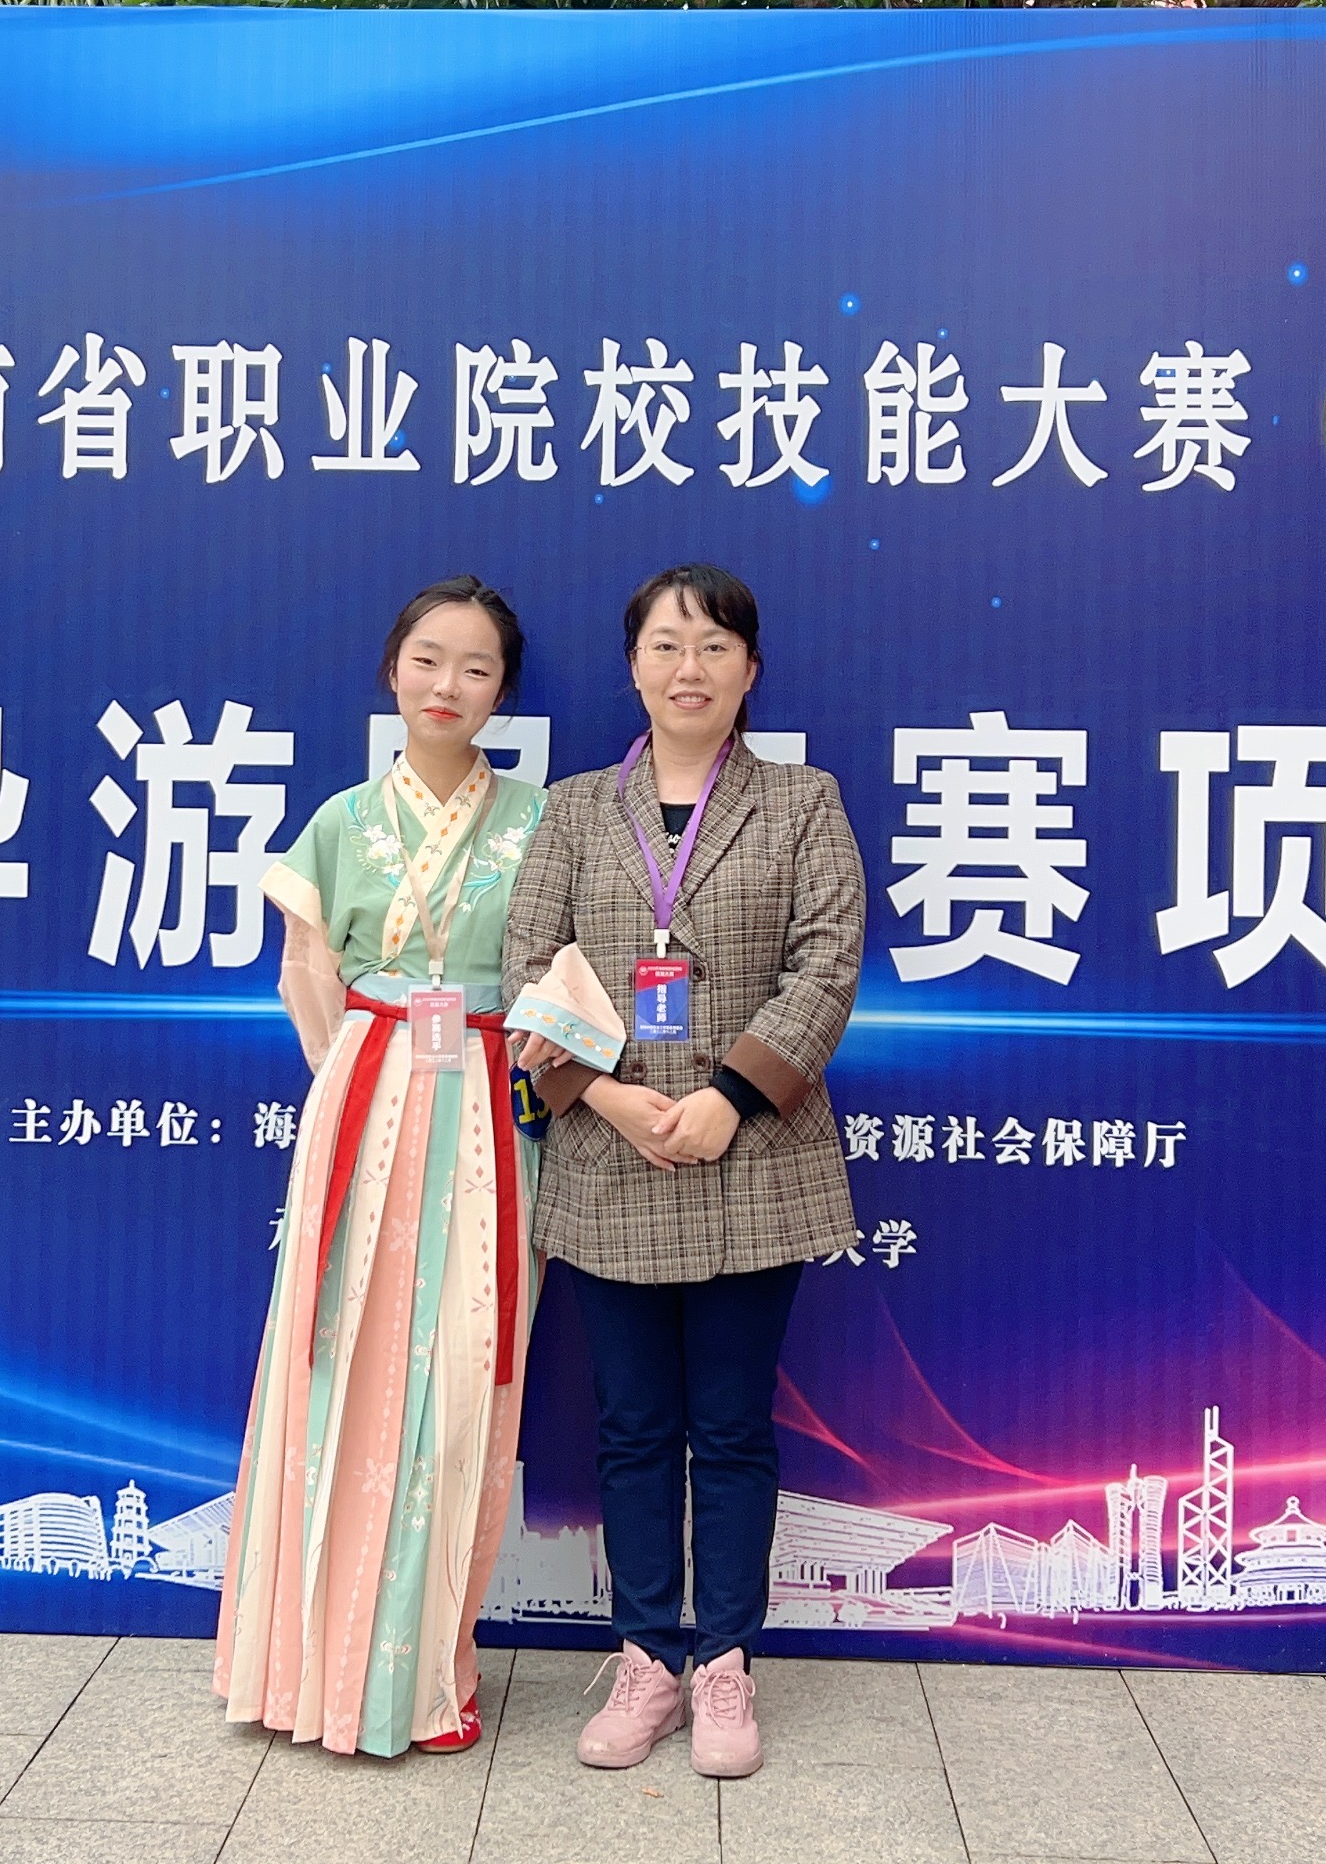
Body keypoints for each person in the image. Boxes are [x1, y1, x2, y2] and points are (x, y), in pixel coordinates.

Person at [501, 563, 865, 1781]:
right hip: (609, 1157)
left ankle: (726, 1662)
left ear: (750, 670)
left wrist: (727, 1099)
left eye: (713, 646)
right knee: (633, 1426)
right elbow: (528, 970)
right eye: (665, 644)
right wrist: (604, 1093)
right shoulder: (572, 811)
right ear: (633, 667)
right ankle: (647, 1656)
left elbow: (827, 963)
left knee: (733, 1425)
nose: (688, 667)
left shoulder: (803, 802)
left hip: (753, 1157)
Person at [215, 575, 546, 1758]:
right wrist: (359, 1071)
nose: (448, 686)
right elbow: (307, 971)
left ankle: (422, 1673)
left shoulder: (544, 824)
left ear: (505, 692)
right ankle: (302, 1668)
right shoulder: (339, 823)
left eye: (476, 667)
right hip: (363, 1104)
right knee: (332, 1367)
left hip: (492, 1109)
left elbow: (570, 975)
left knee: (462, 1383)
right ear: (392, 671)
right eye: (427, 660)